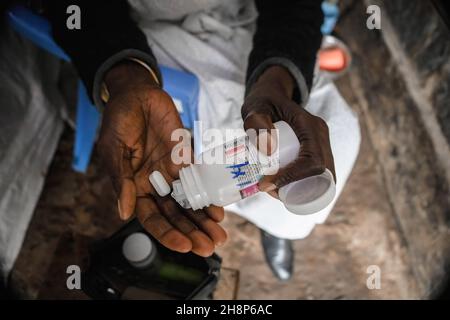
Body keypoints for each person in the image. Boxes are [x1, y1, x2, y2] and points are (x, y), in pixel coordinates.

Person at [41, 0, 335, 281]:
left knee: (327, 142)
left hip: (252, 33)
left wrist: (275, 82)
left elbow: (297, 6)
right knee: (234, 163)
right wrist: (125, 78)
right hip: (141, 35)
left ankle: (275, 226)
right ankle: (272, 219)